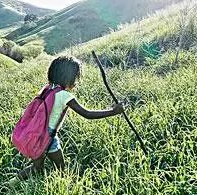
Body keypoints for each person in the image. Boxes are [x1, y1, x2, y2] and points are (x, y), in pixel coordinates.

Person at [11, 55, 124, 184]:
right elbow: (86, 114)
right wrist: (113, 112)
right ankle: (64, 186)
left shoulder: (47, 89)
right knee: (60, 166)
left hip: (36, 134)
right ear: (68, 78)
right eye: (75, 78)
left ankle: (11, 183)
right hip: (49, 137)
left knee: (37, 167)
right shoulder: (64, 95)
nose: (76, 82)